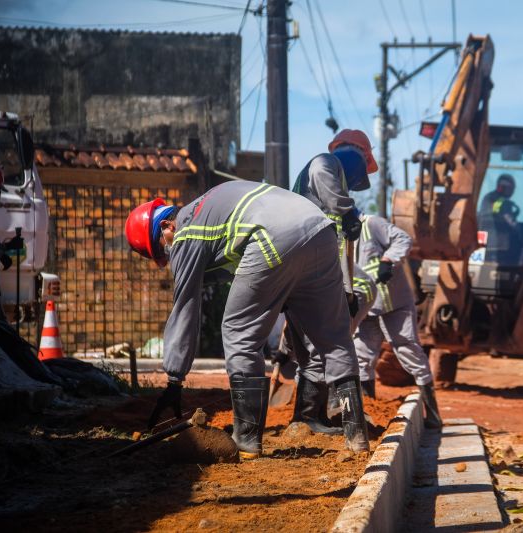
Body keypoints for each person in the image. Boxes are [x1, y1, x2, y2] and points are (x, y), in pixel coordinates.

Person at [124, 180, 370, 458]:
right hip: (321, 230)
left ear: (167, 227)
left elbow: (185, 306)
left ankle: (247, 441)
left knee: (238, 330)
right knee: (334, 337)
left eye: (160, 250)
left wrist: (174, 378)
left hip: (273, 235)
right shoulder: (209, 211)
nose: (166, 258)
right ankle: (357, 438)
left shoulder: (186, 230)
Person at [288, 129, 379, 434]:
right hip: (310, 269)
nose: (357, 181)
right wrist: (348, 210)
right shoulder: (328, 163)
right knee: (324, 341)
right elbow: (320, 169)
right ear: (357, 157)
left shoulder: (322, 192)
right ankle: (308, 417)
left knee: (311, 345)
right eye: (360, 171)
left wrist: (348, 289)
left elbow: (339, 243)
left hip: (304, 266)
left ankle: (310, 416)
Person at [354, 214, 442, 429]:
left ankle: (432, 413)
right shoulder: (338, 237)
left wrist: (388, 260)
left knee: (407, 349)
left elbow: (402, 239)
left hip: (395, 303)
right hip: (366, 306)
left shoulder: (371, 224)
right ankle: (369, 411)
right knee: (361, 357)